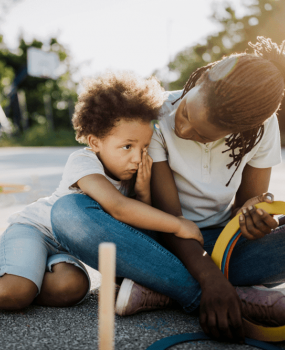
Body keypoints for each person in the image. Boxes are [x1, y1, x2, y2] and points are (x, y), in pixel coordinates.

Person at [49, 37, 285, 342]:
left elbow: (245, 207)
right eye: (186, 112)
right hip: (158, 240)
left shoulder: (261, 129)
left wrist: (253, 219)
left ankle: (159, 287)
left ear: (238, 131)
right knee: (69, 213)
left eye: (200, 134)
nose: (182, 127)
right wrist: (211, 282)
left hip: (219, 246)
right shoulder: (157, 115)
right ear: (199, 79)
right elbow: (169, 216)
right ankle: (221, 295)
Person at [0, 72, 203, 311]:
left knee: (72, 289)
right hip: (34, 231)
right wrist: (177, 225)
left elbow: (136, 233)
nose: (137, 157)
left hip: (62, 249)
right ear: (95, 142)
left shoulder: (134, 174)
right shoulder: (84, 162)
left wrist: (143, 191)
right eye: (127, 146)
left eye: (144, 147)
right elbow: (119, 208)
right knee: (14, 292)